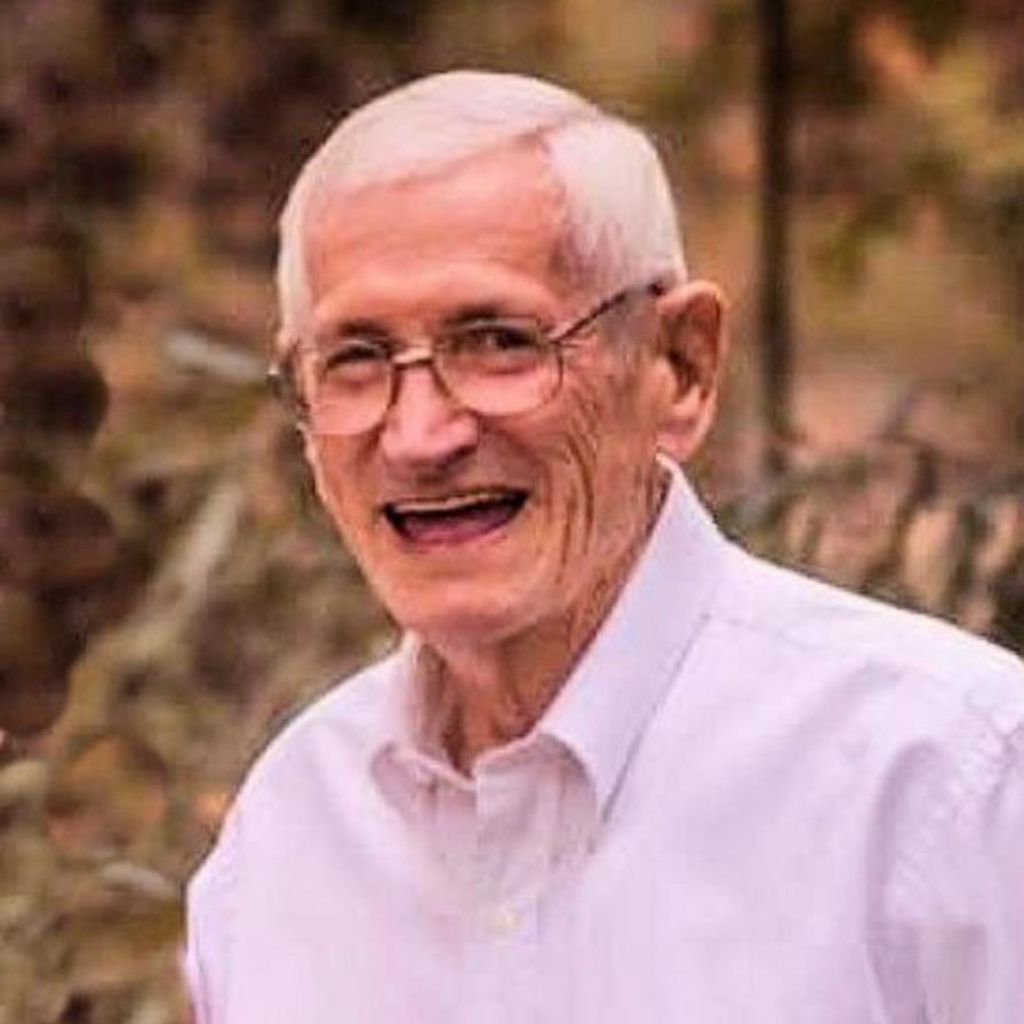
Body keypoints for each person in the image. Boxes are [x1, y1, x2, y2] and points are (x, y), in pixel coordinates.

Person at [184, 70, 1024, 1023]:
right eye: (357, 360)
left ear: (680, 366)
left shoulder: (950, 785)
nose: (419, 437)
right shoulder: (287, 843)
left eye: (497, 341)